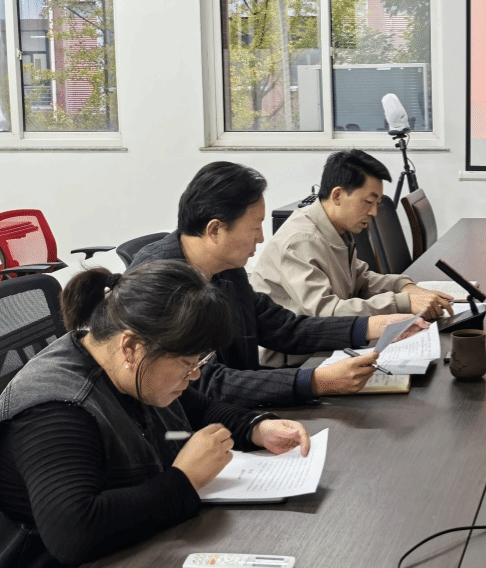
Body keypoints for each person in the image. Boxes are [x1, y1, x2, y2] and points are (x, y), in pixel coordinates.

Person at [0, 261, 310, 568]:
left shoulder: (130, 366)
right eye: (187, 364)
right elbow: (73, 534)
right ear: (131, 348)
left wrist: (256, 427)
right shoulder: (55, 412)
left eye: (199, 362)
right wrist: (184, 480)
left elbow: (199, 409)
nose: (194, 375)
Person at [132, 161, 426, 408]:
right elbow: (205, 383)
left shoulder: (226, 268)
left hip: (239, 413)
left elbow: (284, 329)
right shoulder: (160, 282)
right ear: (215, 230)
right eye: (254, 227)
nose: (261, 237)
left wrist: (372, 326)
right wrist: (316, 381)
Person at [251, 149, 454, 367]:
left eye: (377, 203)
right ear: (337, 195)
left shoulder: (335, 227)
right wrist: (402, 302)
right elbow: (325, 313)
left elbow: (361, 279)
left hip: (325, 347)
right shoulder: (301, 240)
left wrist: (405, 287)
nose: (374, 212)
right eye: (368, 202)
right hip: (294, 362)